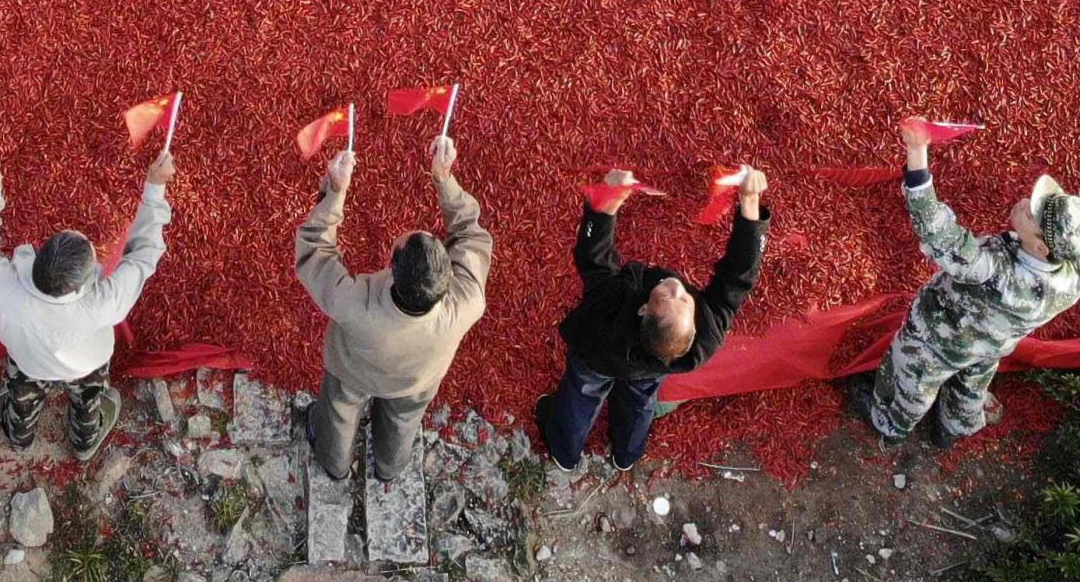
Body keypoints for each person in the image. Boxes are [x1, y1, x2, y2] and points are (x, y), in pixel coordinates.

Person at [860, 121, 1080, 445]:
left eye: (1031, 214)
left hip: (936, 342)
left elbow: (940, 236)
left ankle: (890, 426)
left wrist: (917, 152)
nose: (1023, 202)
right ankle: (952, 431)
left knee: (911, 384)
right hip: (992, 346)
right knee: (971, 386)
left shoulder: (996, 270)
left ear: (1040, 245)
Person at [540, 164, 766, 475]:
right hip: (649, 368)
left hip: (598, 353)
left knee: (582, 392)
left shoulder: (612, 306)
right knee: (640, 399)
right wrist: (750, 204)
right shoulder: (705, 338)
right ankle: (626, 453)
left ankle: (565, 451)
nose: (676, 285)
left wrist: (608, 202)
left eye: (667, 296)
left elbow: (594, 257)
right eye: (685, 297)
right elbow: (739, 277)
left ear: (643, 309)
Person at [0, 143, 175, 461]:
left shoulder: (6, 288)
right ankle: (84, 444)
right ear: (87, 280)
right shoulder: (104, 302)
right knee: (89, 398)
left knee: (20, 394)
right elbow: (144, 254)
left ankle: (20, 437)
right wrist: (155, 189)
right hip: (87, 364)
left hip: (28, 361)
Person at [295, 135, 492, 484]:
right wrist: (444, 178)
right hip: (417, 380)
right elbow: (470, 235)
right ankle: (389, 468)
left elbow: (315, 253)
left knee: (339, 412)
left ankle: (335, 465)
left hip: (352, 370)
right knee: (403, 421)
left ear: (392, 269)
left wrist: (336, 192)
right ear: (448, 276)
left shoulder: (356, 304)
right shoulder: (466, 302)